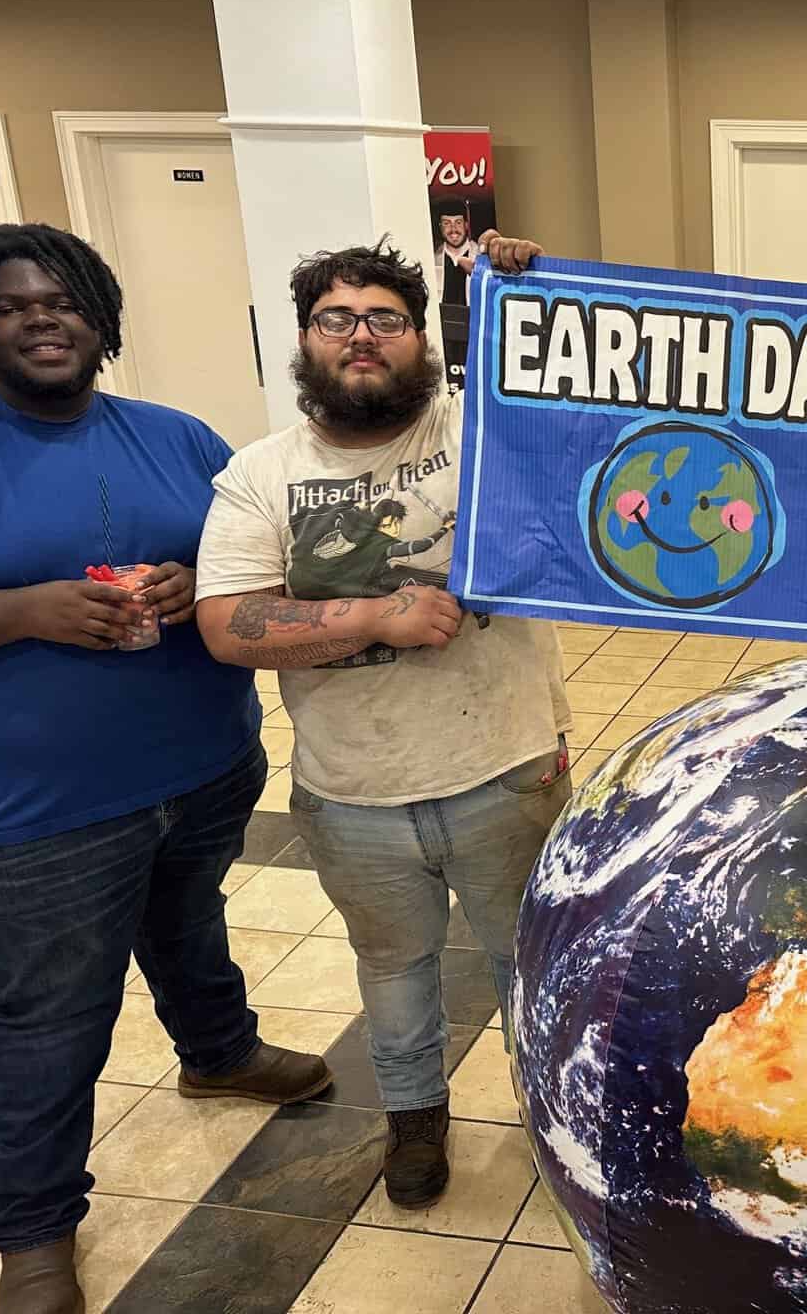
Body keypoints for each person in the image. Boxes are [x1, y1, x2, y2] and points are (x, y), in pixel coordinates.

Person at [0, 225, 332, 1314]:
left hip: (202, 765)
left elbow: (254, 568)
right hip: (35, 810)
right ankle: (33, 1230)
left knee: (187, 919)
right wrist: (27, 609)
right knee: (49, 1014)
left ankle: (219, 1050)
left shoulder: (177, 436)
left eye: (63, 300)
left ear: (102, 317)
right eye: (12, 306)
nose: (42, 318)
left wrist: (188, 579)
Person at [194, 235, 574, 1210]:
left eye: (386, 318)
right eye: (337, 318)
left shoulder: (484, 428)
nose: (362, 335)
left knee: (529, 966)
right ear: (306, 340)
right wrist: (369, 616)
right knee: (395, 974)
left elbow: (576, 409)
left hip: (507, 771)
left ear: (420, 339)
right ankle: (414, 1117)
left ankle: (558, 1121)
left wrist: (529, 290)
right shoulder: (259, 472)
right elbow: (225, 620)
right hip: (351, 793)